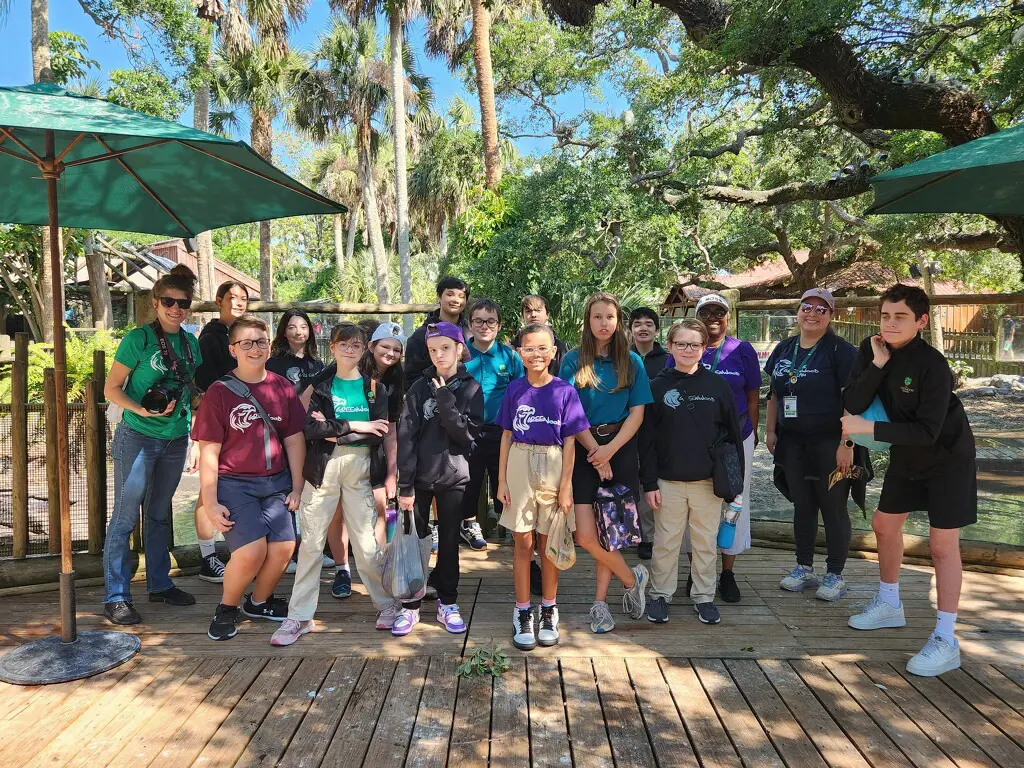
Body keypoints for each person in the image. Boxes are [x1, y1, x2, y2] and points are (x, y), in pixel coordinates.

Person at [843, 284, 977, 677]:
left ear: (921, 320)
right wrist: (878, 364)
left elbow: (929, 432)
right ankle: (889, 604)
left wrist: (870, 428)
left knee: (941, 546)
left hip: (948, 458)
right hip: (906, 455)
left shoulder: (933, 365)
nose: (890, 323)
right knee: (884, 525)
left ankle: (946, 638)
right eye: (885, 315)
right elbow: (852, 401)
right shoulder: (871, 350)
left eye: (900, 316)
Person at [270, 322, 399, 646]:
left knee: (367, 544)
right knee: (312, 544)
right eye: (345, 345)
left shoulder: (375, 389)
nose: (350, 350)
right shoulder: (322, 385)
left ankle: (386, 604)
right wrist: (356, 424)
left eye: (357, 345)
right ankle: (299, 617)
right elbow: (308, 429)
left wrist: (334, 427)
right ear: (334, 347)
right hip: (322, 470)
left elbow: (379, 431)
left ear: (364, 349)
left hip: (360, 469)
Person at [193, 315, 307, 640]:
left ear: (269, 346)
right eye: (246, 343)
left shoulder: (282, 387)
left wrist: (297, 485)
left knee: (285, 546)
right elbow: (209, 452)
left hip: (275, 482)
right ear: (233, 349)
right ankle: (227, 608)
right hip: (233, 483)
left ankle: (259, 601)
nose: (254, 348)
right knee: (251, 551)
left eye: (260, 341)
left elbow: (294, 440)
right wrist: (211, 502)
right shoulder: (219, 393)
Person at [102, 265, 203, 625]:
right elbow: (111, 388)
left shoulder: (191, 344)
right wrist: (142, 408)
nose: (176, 308)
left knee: (159, 513)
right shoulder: (138, 339)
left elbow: (190, 389)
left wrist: (196, 433)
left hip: (176, 439)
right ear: (156, 303)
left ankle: (159, 584)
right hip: (138, 436)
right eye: (169, 302)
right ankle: (116, 594)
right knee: (126, 516)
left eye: (183, 303)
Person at [559, 292, 653, 634]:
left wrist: (609, 450)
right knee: (585, 535)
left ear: (618, 322)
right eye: (597, 317)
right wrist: (595, 454)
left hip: (621, 449)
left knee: (610, 533)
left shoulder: (632, 362)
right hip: (583, 450)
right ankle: (633, 577)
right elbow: (569, 411)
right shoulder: (572, 361)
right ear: (588, 321)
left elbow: (638, 413)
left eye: (609, 317)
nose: (603, 323)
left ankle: (599, 604)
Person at [640, 319, 743, 625]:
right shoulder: (656, 387)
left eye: (695, 344)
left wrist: (733, 482)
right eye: (681, 344)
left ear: (703, 348)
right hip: (667, 481)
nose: (688, 349)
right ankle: (660, 595)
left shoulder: (717, 386)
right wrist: (649, 482)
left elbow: (733, 436)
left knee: (704, 542)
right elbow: (646, 441)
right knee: (666, 541)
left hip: (707, 482)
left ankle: (704, 596)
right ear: (670, 346)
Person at [496, 323, 590, 649]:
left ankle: (549, 607)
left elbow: (571, 442)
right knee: (522, 543)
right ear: (520, 353)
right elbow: (506, 436)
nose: (536, 354)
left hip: (553, 464)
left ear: (553, 352)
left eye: (542, 348)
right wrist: (502, 480)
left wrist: (566, 486)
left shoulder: (565, 391)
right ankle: (523, 611)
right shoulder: (514, 390)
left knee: (549, 542)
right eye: (529, 348)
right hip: (519, 463)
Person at [764, 288, 858, 601]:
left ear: (831, 316)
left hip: (830, 441)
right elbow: (775, 393)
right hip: (792, 442)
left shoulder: (839, 350)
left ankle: (835, 573)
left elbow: (853, 399)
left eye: (821, 309)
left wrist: (847, 443)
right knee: (802, 504)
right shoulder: (785, 347)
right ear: (798, 312)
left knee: (833, 506)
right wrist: (770, 431)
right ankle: (804, 566)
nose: (813, 314)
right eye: (807, 307)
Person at [396, 321, 484, 636]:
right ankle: (410, 604)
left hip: (454, 479)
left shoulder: (471, 388)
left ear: (460, 349)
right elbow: (406, 437)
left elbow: (466, 435)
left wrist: (445, 396)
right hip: (418, 480)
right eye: (433, 350)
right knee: (416, 544)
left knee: (448, 542)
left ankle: (448, 602)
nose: (439, 355)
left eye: (445, 348)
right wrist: (404, 485)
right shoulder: (418, 388)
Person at [683, 293, 762, 603]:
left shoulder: (741, 351)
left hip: (734, 439)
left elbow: (754, 396)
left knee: (734, 504)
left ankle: (727, 573)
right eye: (707, 312)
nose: (713, 317)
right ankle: (696, 572)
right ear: (697, 316)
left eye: (719, 312)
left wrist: (751, 436)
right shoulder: (686, 349)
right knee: (695, 505)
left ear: (729, 317)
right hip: (692, 441)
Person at [324, 321, 406, 599]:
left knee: (381, 508)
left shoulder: (395, 382)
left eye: (397, 349)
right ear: (371, 347)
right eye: (385, 346)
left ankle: (380, 568)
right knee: (339, 513)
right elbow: (307, 409)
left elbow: (391, 430)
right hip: (337, 451)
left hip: (376, 453)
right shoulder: (343, 370)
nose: (391, 353)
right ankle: (342, 568)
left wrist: (393, 471)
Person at [193, 280, 249, 583]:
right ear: (219, 301)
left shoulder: (247, 335)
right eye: (232, 297)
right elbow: (205, 382)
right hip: (218, 422)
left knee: (235, 486)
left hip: (244, 424)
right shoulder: (211, 338)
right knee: (208, 488)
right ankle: (207, 557)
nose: (238, 302)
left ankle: (241, 553)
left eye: (243, 298)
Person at [462, 298, 525, 550]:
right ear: (470, 324)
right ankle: (469, 524)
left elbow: (521, 391)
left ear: (499, 325)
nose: (484, 326)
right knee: (469, 480)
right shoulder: (461, 353)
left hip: (502, 432)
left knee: (506, 478)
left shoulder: (509, 355)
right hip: (468, 431)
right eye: (478, 320)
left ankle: (507, 526)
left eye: (490, 321)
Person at [628, 306, 670, 560]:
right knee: (628, 480)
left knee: (651, 481)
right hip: (626, 429)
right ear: (630, 329)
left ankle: (650, 536)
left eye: (649, 324)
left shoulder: (667, 359)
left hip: (657, 429)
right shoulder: (622, 357)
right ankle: (627, 530)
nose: (643, 328)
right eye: (637, 324)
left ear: (656, 329)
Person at [404, 276, 470, 390]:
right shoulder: (420, 336)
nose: (456, 300)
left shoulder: (470, 332)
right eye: (450, 294)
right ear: (439, 296)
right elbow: (411, 378)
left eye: (461, 296)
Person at [267, 309, 325, 404]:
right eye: (291, 328)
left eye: (303, 327)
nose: (298, 332)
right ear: (284, 332)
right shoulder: (273, 364)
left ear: (309, 330)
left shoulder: (317, 363)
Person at [512, 295, 569, 376]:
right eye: (528, 311)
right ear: (522, 316)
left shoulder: (559, 347)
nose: (533, 315)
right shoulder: (513, 348)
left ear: (547, 315)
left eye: (538, 310)